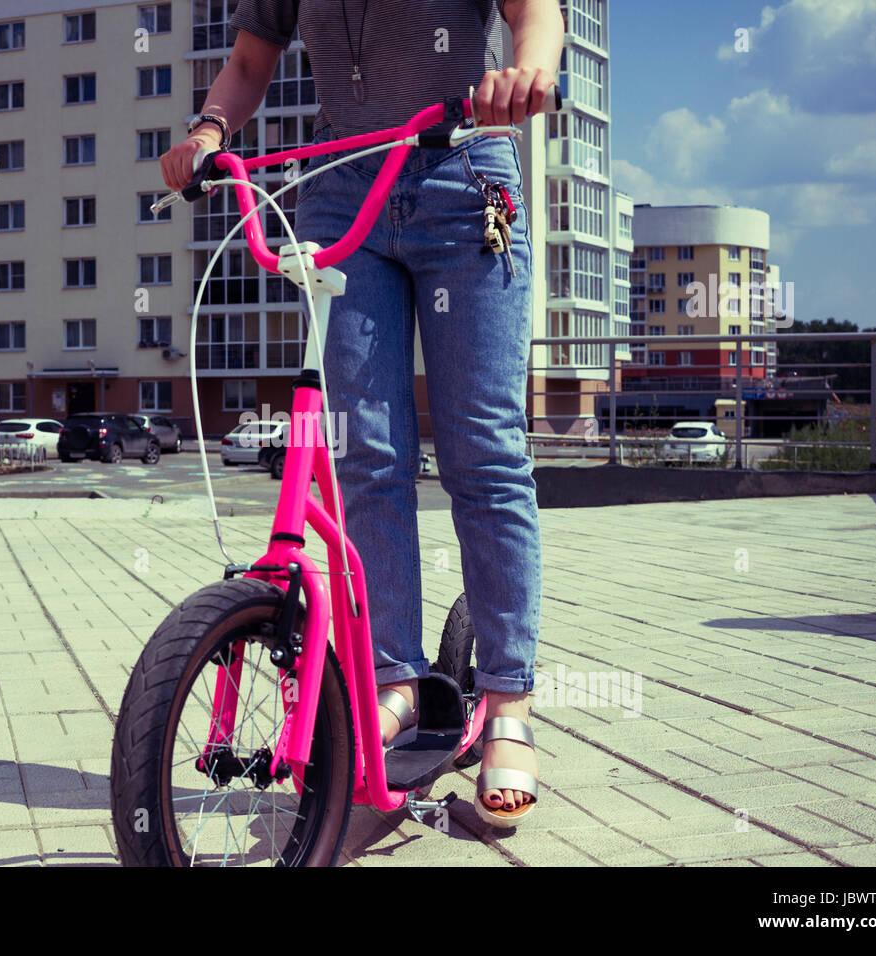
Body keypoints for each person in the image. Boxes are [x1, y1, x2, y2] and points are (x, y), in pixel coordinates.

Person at [162, 0, 563, 826]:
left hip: (464, 171)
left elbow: (537, 11)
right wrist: (208, 132)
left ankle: (509, 701)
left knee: (481, 451)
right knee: (367, 456)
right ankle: (395, 681)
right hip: (342, 186)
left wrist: (529, 69)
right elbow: (249, 61)